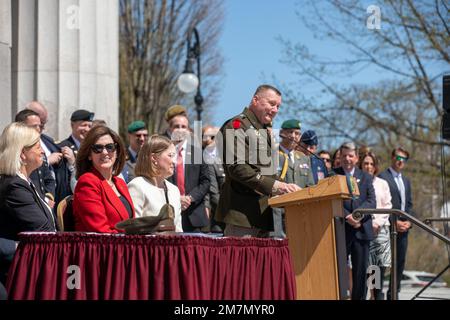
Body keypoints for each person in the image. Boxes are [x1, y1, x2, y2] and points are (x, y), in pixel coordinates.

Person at [215, 85, 301, 237]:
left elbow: (266, 171)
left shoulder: (262, 130)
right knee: (239, 261)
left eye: (278, 106)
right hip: (241, 216)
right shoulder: (237, 125)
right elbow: (237, 168)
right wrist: (276, 185)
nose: (275, 110)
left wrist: (286, 186)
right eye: (271, 104)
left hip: (262, 217)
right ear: (255, 100)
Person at [0, 122, 57, 241]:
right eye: (38, 147)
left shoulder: (25, 181)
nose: (43, 151)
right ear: (22, 153)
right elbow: (43, 231)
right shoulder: (14, 187)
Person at [333, 142, 376, 300]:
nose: (347, 159)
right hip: (341, 230)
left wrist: (357, 215)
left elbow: (372, 201)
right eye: (344, 155)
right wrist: (347, 216)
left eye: (350, 156)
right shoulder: (333, 174)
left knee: (360, 273)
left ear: (357, 158)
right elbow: (332, 200)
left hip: (362, 230)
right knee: (338, 272)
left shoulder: (365, 176)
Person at [73, 125, 134, 233]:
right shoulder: (87, 182)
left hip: (125, 245)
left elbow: (132, 224)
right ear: (89, 155)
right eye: (98, 148)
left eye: (110, 147)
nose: (105, 152)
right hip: (101, 247)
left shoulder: (120, 183)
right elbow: (101, 231)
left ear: (117, 151)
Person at [166, 109, 210, 232]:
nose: (180, 130)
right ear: (170, 129)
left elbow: (206, 181)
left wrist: (190, 198)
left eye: (183, 127)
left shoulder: (197, 152)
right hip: (169, 215)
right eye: (176, 126)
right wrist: (176, 198)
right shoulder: (163, 152)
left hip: (194, 215)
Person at [379, 147, 414, 300]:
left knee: (399, 264)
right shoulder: (382, 177)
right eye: (398, 158)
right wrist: (395, 222)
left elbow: (409, 205)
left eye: (404, 159)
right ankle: (376, 294)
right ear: (392, 158)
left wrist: (408, 222)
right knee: (381, 263)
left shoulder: (406, 181)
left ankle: (394, 294)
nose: (401, 161)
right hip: (386, 228)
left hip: (403, 231)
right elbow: (381, 205)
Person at [128, 135, 183, 232]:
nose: (175, 161)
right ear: (154, 158)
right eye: (170, 155)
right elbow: (133, 230)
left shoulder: (174, 190)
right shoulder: (137, 186)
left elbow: (178, 230)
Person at [26, 101, 75, 205]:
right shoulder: (18, 143)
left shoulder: (48, 140)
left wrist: (71, 161)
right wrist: (47, 160)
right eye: (37, 124)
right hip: (35, 199)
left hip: (55, 198)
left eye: (42, 124)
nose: (40, 128)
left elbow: (54, 177)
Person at [273, 119, 315, 237]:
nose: (294, 136)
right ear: (282, 133)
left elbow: (310, 187)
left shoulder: (303, 158)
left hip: (299, 215)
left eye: (297, 133)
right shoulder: (271, 155)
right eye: (290, 132)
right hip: (277, 216)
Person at [360, 150, 392, 300]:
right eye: (366, 163)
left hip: (382, 231)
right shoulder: (357, 182)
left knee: (379, 271)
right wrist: (369, 223)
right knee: (367, 271)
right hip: (364, 229)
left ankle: (377, 297)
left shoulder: (382, 183)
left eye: (371, 164)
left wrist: (377, 223)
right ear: (361, 164)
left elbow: (387, 206)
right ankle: (370, 296)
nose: (368, 166)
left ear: (375, 167)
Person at [14, 109, 56, 205]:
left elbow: (49, 178)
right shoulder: (17, 151)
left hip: (43, 203)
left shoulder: (39, 148)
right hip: (28, 201)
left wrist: (48, 197)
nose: (38, 129)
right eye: (33, 126)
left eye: (40, 126)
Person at [202, 125, 225, 233]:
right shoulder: (197, 157)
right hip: (217, 216)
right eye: (205, 136)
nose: (208, 140)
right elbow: (213, 193)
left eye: (212, 137)